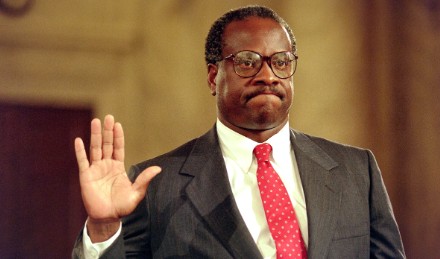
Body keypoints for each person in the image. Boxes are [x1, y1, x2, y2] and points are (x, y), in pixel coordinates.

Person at [72, 5, 405, 259]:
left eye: (282, 61)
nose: (268, 76)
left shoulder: (356, 171)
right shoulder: (158, 184)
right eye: (247, 62)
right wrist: (103, 229)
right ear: (213, 77)